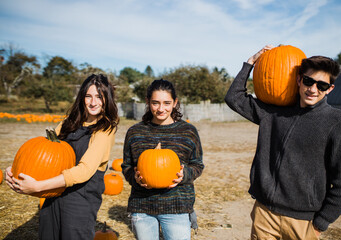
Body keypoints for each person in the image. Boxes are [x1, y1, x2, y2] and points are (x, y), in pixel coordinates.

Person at [225, 45, 341, 240]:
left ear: (330, 89)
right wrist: (250, 63)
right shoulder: (273, 112)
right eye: (308, 81)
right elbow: (233, 98)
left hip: (303, 223)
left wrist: (321, 223)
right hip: (265, 214)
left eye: (322, 85)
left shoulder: (337, 122)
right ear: (299, 80)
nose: (313, 89)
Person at [6, 74, 119, 240]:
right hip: (52, 196)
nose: (93, 102)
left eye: (99, 97)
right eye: (88, 96)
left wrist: (37, 186)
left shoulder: (104, 130)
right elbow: (43, 155)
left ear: (106, 99)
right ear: (82, 97)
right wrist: (17, 172)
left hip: (79, 201)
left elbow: (84, 171)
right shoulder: (69, 123)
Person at [122, 79, 204, 240]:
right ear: (147, 102)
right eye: (155, 103)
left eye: (167, 103)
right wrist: (135, 178)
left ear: (175, 103)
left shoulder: (188, 131)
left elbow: (197, 164)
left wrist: (184, 175)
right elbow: (126, 166)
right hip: (142, 206)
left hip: (177, 206)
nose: (161, 109)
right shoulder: (135, 132)